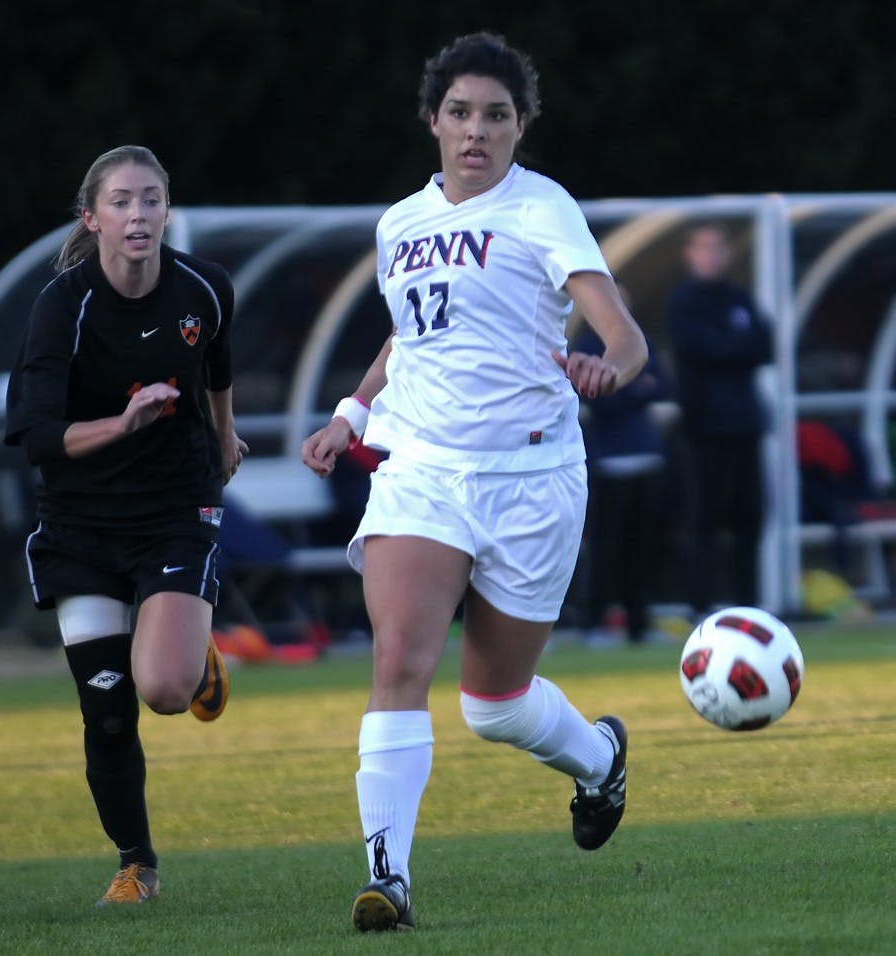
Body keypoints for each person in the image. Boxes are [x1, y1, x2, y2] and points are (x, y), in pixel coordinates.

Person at [302, 33, 647, 932]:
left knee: (494, 707)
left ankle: (599, 761)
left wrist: (611, 364)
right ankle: (389, 876)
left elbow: (624, 332)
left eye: (497, 115)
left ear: (520, 126)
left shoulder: (543, 210)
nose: (476, 131)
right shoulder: (399, 225)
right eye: (460, 113)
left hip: (532, 478)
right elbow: (408, 342)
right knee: (398, 658)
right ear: (433, 122)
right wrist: (351, 414)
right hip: (423, 469)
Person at [3, 145, 248, 905]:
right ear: (92, 218)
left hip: (175, 510)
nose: (138, 216)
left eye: (151, 200)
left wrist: (226, 433)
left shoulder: (205, 287)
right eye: (121, 202)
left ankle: (186, 648)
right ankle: (136, 865)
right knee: (107, 713)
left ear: (166, 211)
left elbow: (216, 367)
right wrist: (123, 421)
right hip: (80, 527)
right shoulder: (61, 307)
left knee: (166, 691)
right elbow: (40, 436)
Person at [667, 222, 773, 616]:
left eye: (717, 247)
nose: (711, 255)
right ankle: (701, 607)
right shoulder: (683, 302)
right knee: (704, 521)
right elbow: (702, 349)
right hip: (703, 430)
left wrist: (726, 346)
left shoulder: (739, 298)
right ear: (690, 254)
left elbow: (764, 345)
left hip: (745, 425)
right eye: (703, 247)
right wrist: (731, 344)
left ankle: (751, 606)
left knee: (751, 518)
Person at [571, 319, 669, 644]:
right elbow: (596, 396)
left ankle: (639, 624)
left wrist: (621, 389)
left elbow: (662, 386)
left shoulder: (639, 338)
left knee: (642, 548)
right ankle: (594, 622)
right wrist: (631, 388)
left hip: (646, 457)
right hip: (608, 462)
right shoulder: (585, 346)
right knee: (605, 547)